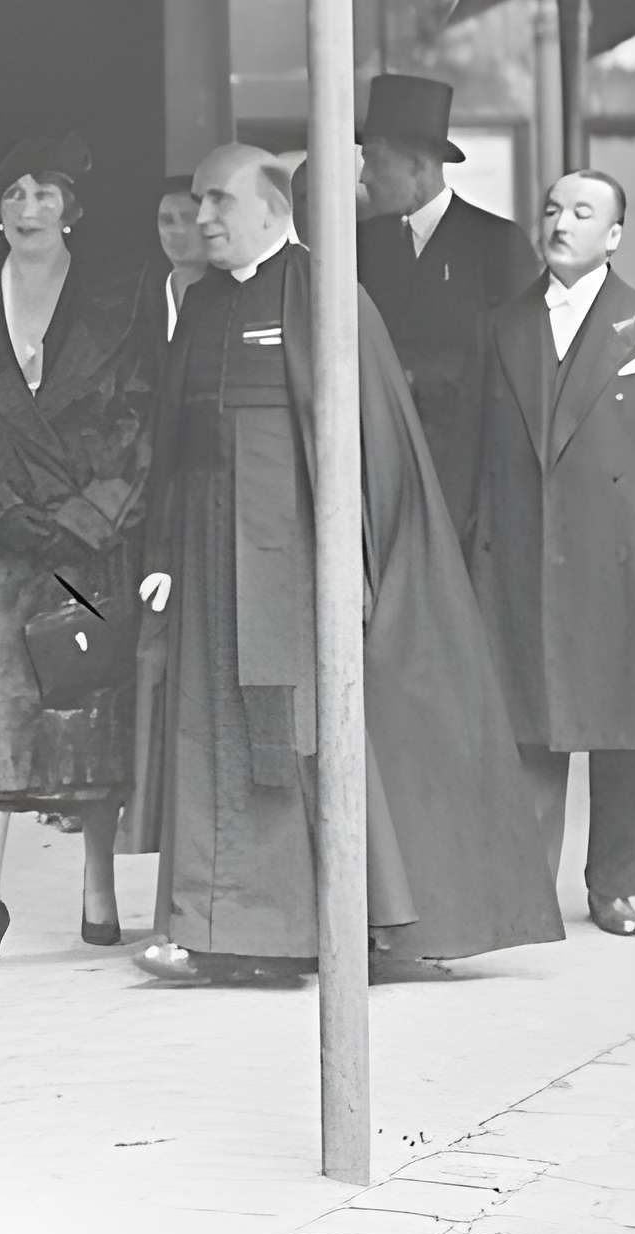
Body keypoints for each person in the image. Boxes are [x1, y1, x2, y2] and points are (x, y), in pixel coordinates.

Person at [126, 148, 558, 985]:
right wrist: (163, 557)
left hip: (295, 567)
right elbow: (177, 448)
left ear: (270, 207)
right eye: (196, 202)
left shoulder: (325, 295)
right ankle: (221, 927)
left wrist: (357, 567)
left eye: (218, 201)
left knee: (296, 741)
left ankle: (309, 932)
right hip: (212, 565)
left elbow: (368, 447)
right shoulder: (205, 301)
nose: (202, 217)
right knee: (212, 739)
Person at [465, 172, 635, 938]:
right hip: (518, 550)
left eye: (583, 213)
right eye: (552, 209)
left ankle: (616, 884)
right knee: (528, 725)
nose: (561, 223)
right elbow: (469, 452)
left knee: (620, 729)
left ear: (614, 235)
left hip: (624, 556)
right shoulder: (501, 325)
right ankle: (523, 886)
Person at [0, 135, 153, 964]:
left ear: (70, 206)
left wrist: (90, 515)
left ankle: (99, 887)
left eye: (45, 192)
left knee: (88, 697)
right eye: (13, 193)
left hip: (88, 537)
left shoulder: (122, 297)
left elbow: (145, 424)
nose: (28, 209)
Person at [352, 74, 535, 525]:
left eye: (374, 161)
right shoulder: (359, 247)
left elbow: (523, 365)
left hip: (468, 479)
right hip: (377, 474)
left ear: (417, 166)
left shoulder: (497, 244)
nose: (363, 178)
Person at [148, 173, 208, 356]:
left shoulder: (237, 291)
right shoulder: (142, 295)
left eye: (189, 218)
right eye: (167, 220)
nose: (177, 230)